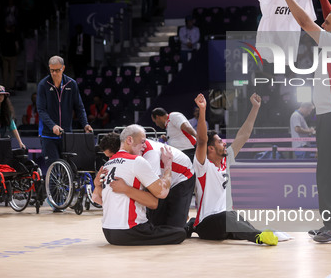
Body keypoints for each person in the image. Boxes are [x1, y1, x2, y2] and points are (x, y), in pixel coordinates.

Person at [273, 0, 331, 243]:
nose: (324, 21)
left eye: (328, 21)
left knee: (330, 171)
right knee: (325, 171)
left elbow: (304, 21)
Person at [187, 93, 278, 246]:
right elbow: (201, 140)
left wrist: (255, 108)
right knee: (228, 218)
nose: (224, 143)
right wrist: (202, 110)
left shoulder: (226, 159)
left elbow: (243, 135)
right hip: (208, 223)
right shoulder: (203, 165)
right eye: (220, 141)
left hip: (225, 221)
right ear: (210, 148)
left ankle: (191, 224)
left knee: (235, 218)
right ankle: (259, 237)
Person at [91, 125, 186, 246]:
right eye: (142, 142)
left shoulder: (107, 164)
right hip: (130, 231)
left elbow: (97, 199)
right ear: (129, 140)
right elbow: (160, 195)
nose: (145, 146)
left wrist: (97, 185)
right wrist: (168, 166)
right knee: (179, 232)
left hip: (108, 233)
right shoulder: (137, 161)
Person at [125, 124, 195, 228]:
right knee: (157, 223)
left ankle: (191, 222)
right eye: (142, 142)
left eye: (144, 141)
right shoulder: (130, 153)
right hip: (165, 178)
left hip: (182, 177)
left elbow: (156, 188)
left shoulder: (150, 153)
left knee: (175, 228)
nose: (144, 145)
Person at [37, 55, 93, 173]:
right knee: (54, 169)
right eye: (52, 70)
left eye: (57, 70)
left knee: (68, 169)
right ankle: (52, 191)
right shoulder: (43, 85)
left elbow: (79, 107)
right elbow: (41, 110)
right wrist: (52, 125)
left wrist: (85, 124)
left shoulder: (71, 84)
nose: (54, 73)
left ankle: (68, 191)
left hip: (67, 134)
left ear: (63, 68)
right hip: (48, 135)